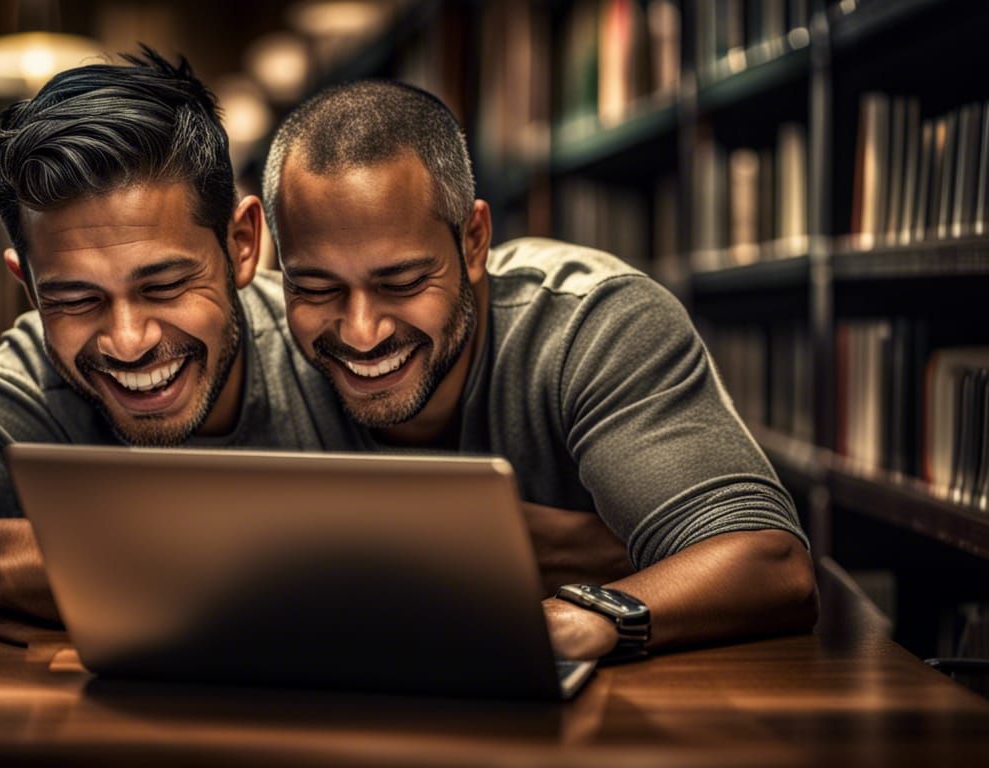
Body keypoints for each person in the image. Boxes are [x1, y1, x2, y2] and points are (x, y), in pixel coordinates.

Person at [0, 49, 356, 621]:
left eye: (164, 287)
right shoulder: (32, 377)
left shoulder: (346, 348)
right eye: (76, 300)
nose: (128, 341)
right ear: (31, 289)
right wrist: (76, 561)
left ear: (241, 245)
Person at [262, 81, 818, 660]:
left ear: (474, 241)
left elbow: (771, 563)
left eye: (401, 283)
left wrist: (584, 617)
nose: (361, 332)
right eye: (315, 288)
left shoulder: (592, 322)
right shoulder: (240, 337)